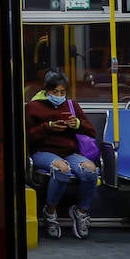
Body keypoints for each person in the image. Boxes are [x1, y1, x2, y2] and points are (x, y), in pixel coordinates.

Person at [25, 70, 98, 239]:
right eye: (54, 92)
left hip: (70, 152)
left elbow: (91, 131)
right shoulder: (34, 107)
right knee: (62, 169)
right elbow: (28, 136)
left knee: (90, 170)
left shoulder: (71, 106)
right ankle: (50, 212)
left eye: (62, 92)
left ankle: (81, 211)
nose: (59, 95)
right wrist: (48, 127)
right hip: (43, 152)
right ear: (46, 90)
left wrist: (77, 124)